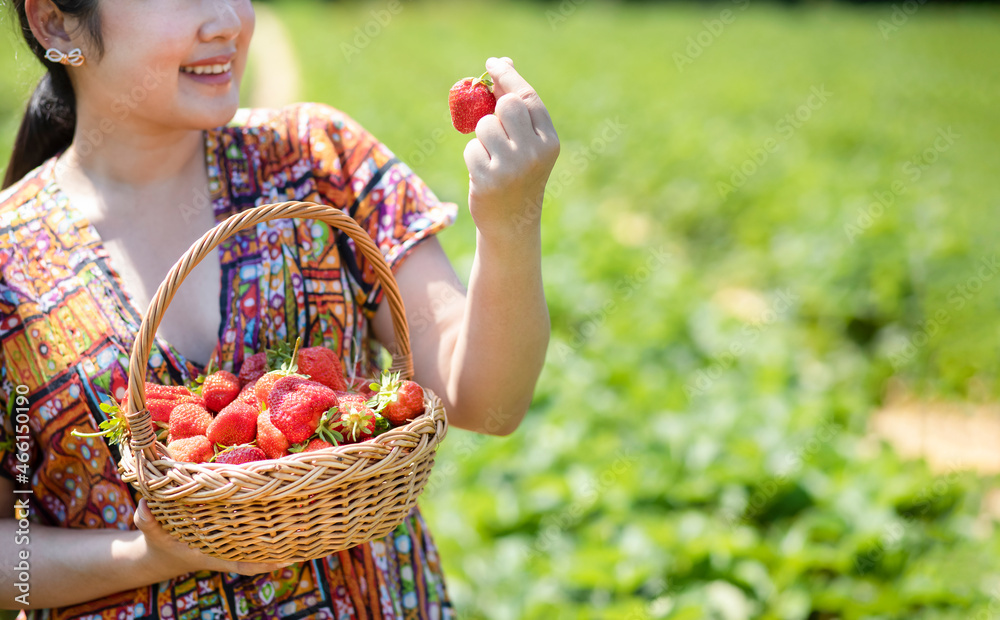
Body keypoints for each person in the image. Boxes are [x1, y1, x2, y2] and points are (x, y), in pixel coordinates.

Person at [0, 0, 559, 616]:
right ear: (55, 21)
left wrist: (509, 222)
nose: (228, 21)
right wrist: (149, 556)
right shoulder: (11, 263)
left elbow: (487, 401)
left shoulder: (320, 163)